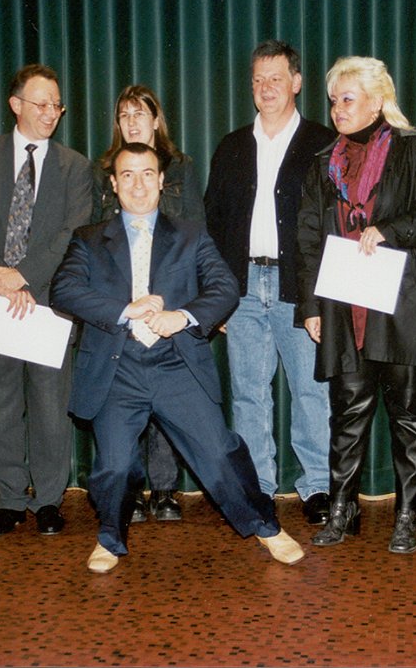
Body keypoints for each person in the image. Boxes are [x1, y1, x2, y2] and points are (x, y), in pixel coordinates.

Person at [50, 142, 304, 573]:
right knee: (114, 466)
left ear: (162, 180)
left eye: (147, 173)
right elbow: (64, 290)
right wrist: (126, 309)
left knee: (219, 455)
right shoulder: (88, 239)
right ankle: (109, 537)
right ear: (113, 184)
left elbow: (224, 287)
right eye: (127, 175)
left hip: (176, 364)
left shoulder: (191, 235)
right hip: (118, 368)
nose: (138, 184)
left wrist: (181, 316)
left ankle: (266, 526)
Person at [295, 56, 416, 554]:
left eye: (347, 99)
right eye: (333, 100)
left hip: (404, 306)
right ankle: (342, 511)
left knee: (410, 418)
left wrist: (390, 231)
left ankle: (406, 516)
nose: (337, 109)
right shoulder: (324, 162)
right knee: (346, 414)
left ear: (376, 102)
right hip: (346, 307)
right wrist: (310, 306)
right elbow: (308, 236)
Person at [0, 63, 93, 536]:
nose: (51, 112)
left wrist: (25, 276)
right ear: (16, 105)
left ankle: (49, 501)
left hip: (48, 302)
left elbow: (73, 232)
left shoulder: (75, 167)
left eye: (57, 105)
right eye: (41, 103)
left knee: (51, 408)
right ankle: (9, 500)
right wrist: (3, 280)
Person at [205, 40, 336, 525]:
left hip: (298, 287)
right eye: (258, 80)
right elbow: (213, 223)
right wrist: (216, 296)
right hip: (241, 286)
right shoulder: (232, 145)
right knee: (248, 393)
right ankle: (256, 486)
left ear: (296, 83)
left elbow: (335, 226)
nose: (266, 88)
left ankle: (317, 486)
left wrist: (320, 296)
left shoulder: (324, 144)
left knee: (310, 390)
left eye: (276, 79)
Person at [90, 85, 206, 523]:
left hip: (169, 295)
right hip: (119, 296)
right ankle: (129, 491)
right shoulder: (103, 169)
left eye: (140, 114)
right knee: (123, 398)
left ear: (156, 120)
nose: (132, 122)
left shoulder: (181, 167)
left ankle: (164, 489)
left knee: (166, 397)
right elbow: (93, 232)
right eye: (124, 115)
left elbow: (195, 227)